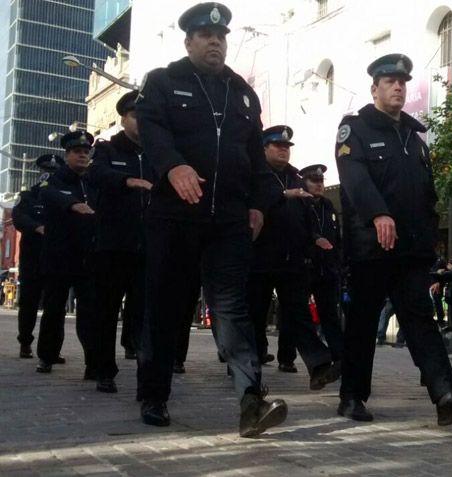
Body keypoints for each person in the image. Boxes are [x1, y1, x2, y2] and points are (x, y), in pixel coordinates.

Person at [135, 2, 286, 437]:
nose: (215, 41)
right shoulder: (164, 81)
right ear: (189, 41)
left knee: (232, 308)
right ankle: (153, 394)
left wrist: (258, 203)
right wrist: (172, 166)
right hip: (175, 216)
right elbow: (152, 128)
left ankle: (251, 400)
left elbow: (255, 157)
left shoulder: (241, 92)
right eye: (205, 35)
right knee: (166, 306)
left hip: (229, 221)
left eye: (221, 36)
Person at [335, 53, 452, 425]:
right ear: (375, 89)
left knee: (421, 320)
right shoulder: (356, 129)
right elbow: (354, 180)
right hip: (371, 247)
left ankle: (446, 396)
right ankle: (352, 396)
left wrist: (428, 237)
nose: (398, 86)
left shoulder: (417, 139)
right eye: (390, 81)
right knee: (362, 322)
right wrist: (378, 213)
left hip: (411, 250)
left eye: (403, 81)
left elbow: (426, 195)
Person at [246, 126, 339, 381]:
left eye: (287, 147)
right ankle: (247, 365)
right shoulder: (255, 173)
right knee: (255, 312)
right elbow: (254, 200)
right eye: (278, 146)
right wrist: (283, 195)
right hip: (260, 256)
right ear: (264, 147)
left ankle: (319, 364)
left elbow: (306, 215)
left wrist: (315, 237)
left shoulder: (295, 178)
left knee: (298, 312)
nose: (284, 151)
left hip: (293, 257)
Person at [90, 91, 153, 393]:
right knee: (106, 310)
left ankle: (148, 372)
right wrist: (125, 181)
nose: (141, 121)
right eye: (136, 115)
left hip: (148, 246)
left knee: (143, 312)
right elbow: (96, 174)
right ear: (124, 118)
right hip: (113, 245)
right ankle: (104, 369)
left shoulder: (157, 151)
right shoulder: (107, 150)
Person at [35, 132, 98, 378]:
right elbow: (48, 194)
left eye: (86, 152)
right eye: (77, 152)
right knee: (54, 309)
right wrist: (72, 204)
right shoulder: (55, 178)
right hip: (59, 255)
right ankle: (46, 356)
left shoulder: (93, 179)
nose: (83, 155)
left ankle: (93, 362)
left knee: (89, 311)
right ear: (67, 154)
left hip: (87, 255)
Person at [12, 154, 63, 359]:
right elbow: (18, 218)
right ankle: (25, 342)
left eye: (52, 173)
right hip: (32, 259)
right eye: (45, 172)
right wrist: (38, 227)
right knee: (29, 303)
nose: (48, 176)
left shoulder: (63, 196)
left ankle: (52, 349)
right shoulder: (28, 197)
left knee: (55, 307)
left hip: (56, 257)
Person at [300, 163, 344, 363]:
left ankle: (339, 356)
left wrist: (339, 261)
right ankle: (287, 355)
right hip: (305, 266)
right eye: (314, 181)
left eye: (321, 181)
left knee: (330, 315)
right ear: (305, 182)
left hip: (327, 268)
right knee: (299, 313)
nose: (319, 185)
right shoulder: (300, 203)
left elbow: (337, 237)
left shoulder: (328, 206)